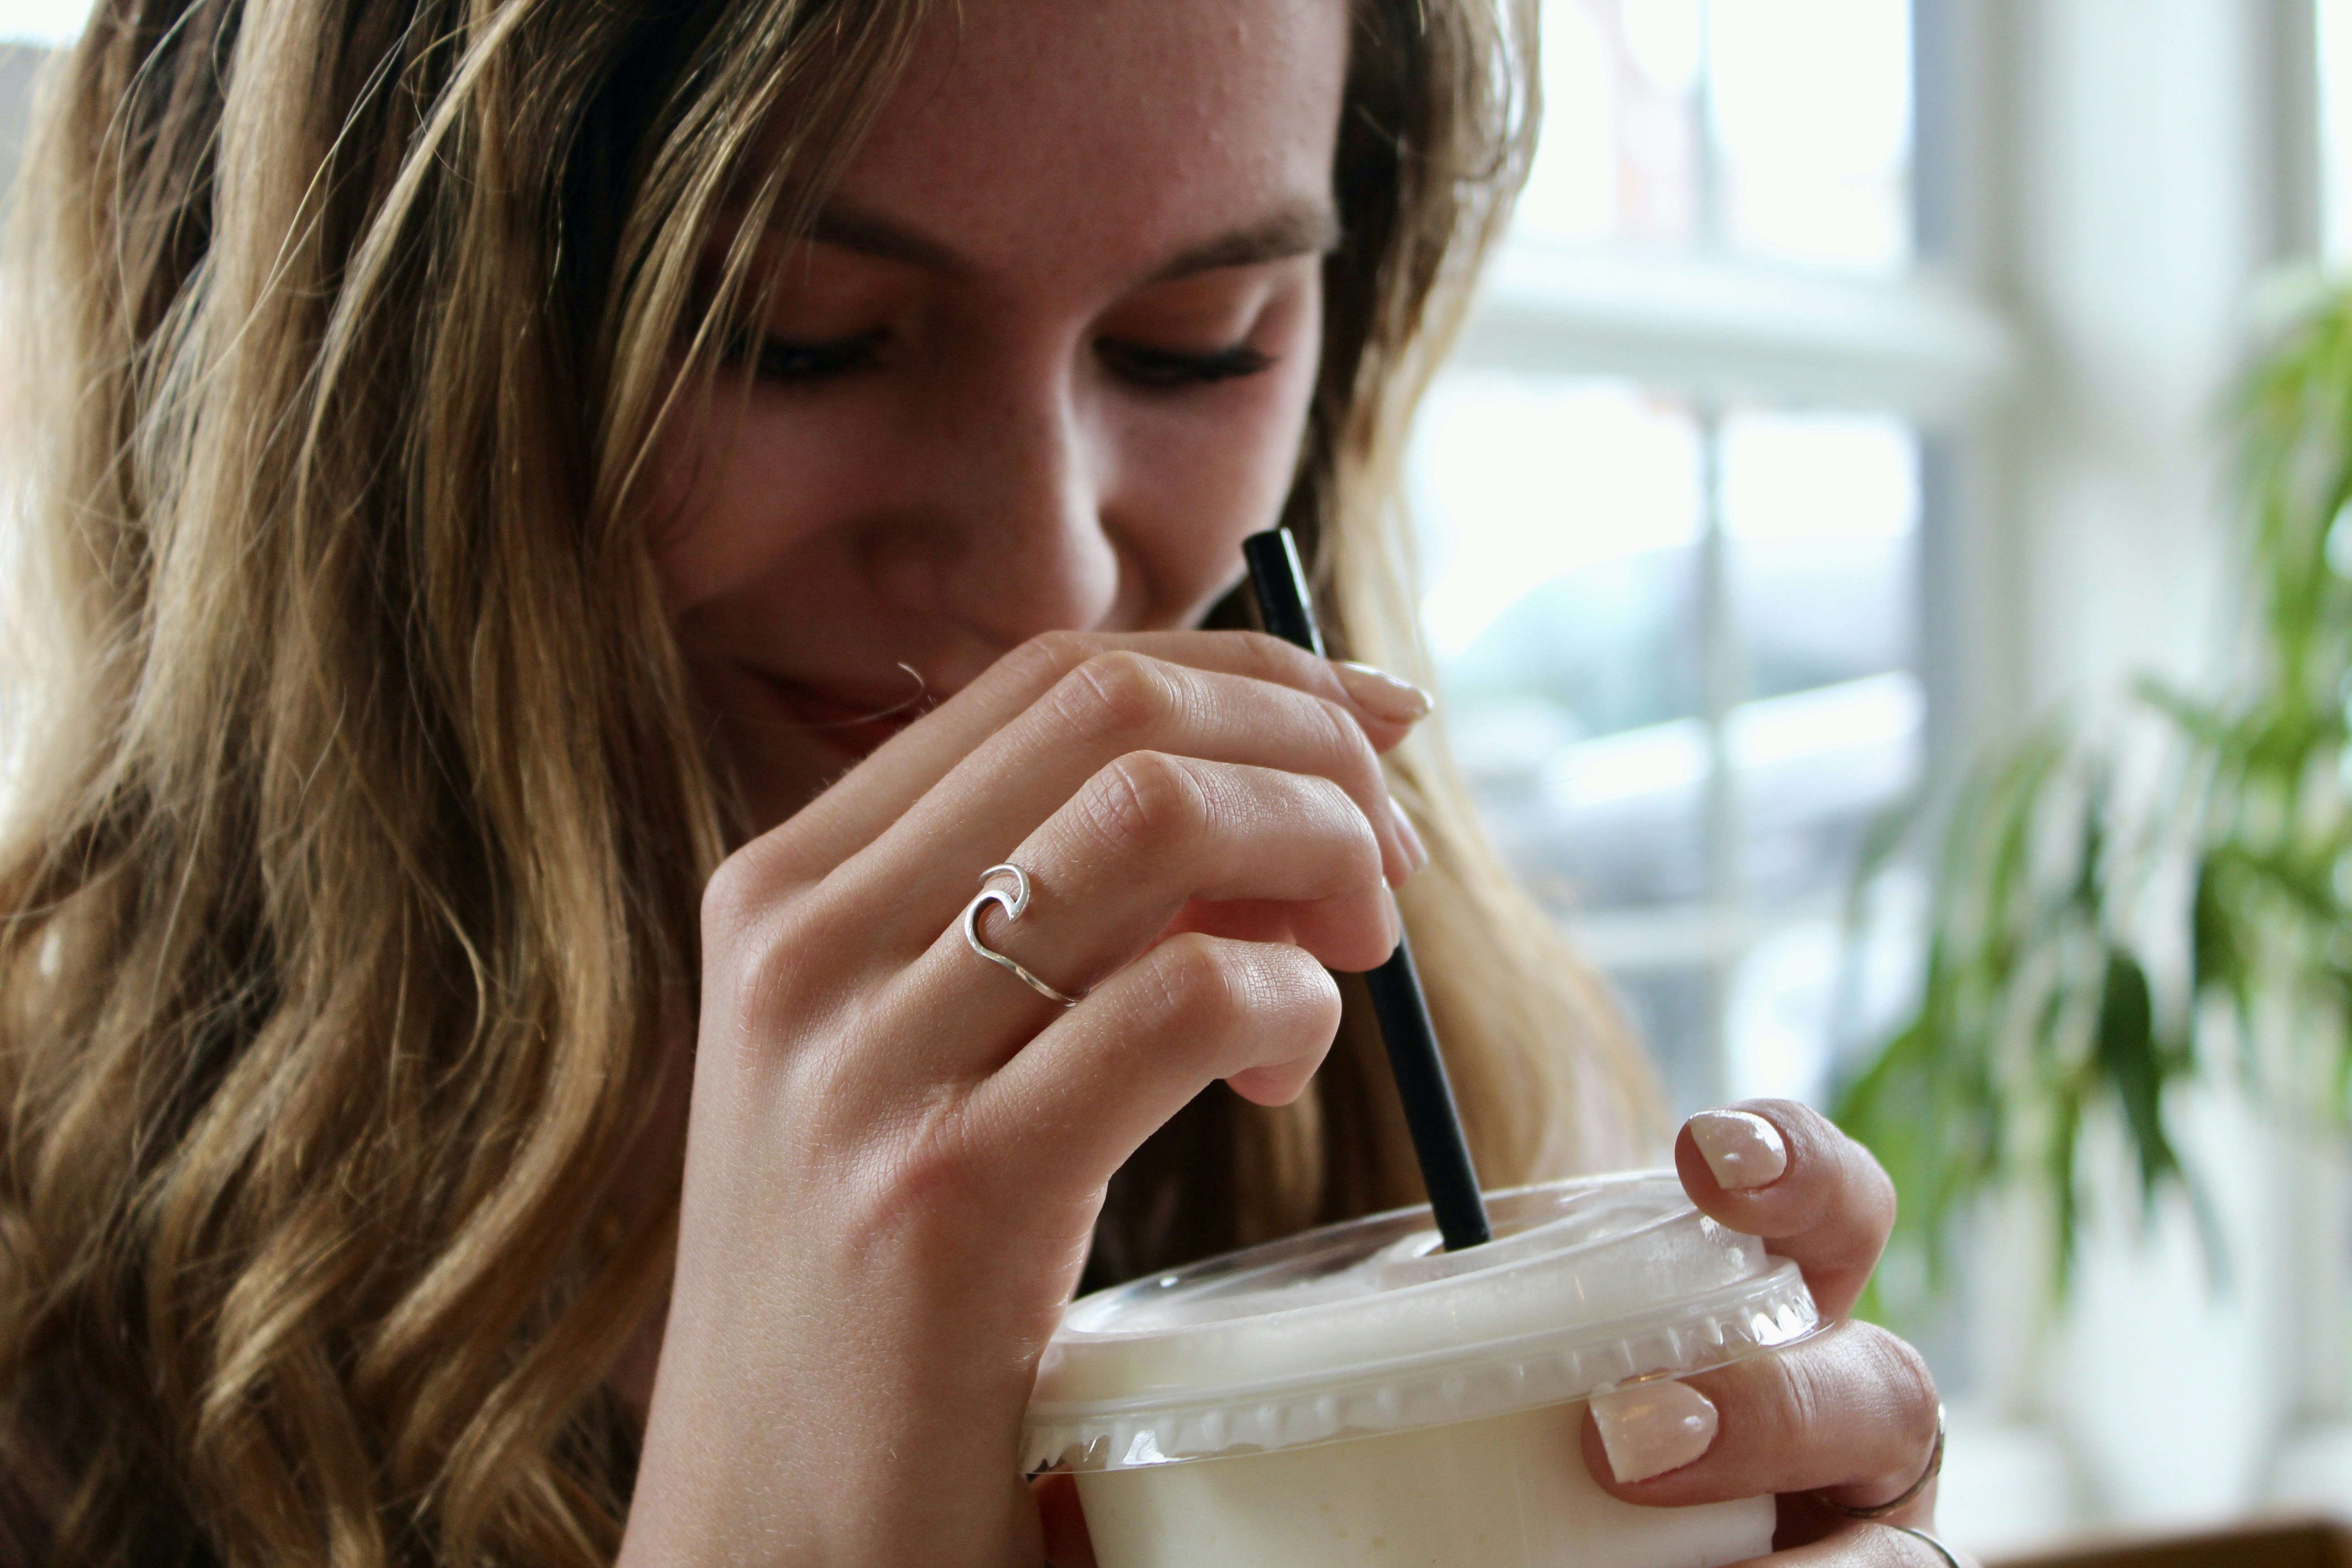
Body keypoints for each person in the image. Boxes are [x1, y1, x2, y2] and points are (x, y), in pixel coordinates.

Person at [0, 0, 1955, 1561]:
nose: (1053, 585)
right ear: (357, 360)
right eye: (805, 340)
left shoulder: (1404, 1109)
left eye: (1201, 346)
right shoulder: (47, 1346)